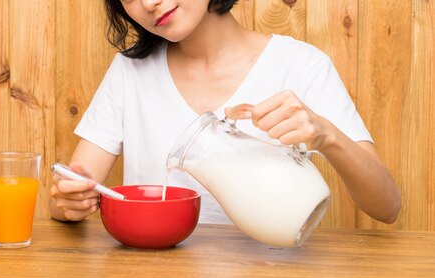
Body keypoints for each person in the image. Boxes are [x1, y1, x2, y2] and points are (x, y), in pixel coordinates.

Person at [50, 0, 401, 224]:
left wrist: (327, 135)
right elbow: (70, 193)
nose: (149, 3)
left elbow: (387, 207)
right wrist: (68, 202)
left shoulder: (300, 65)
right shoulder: (129, 73)